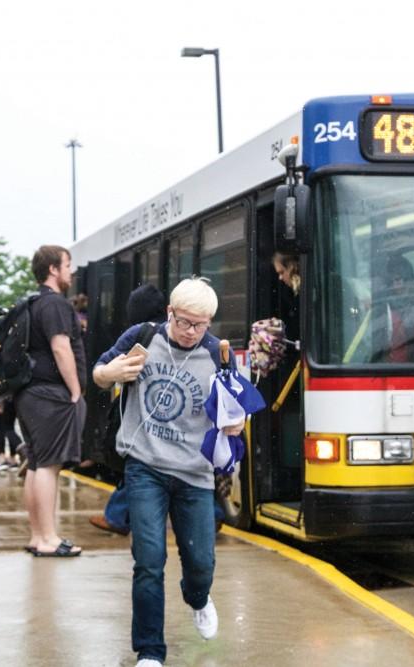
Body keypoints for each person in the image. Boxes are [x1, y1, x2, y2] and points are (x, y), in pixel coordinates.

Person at [93, 277, 242, 666]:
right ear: (169, 313)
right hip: (145, 466)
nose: (192, 332)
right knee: (148, 559)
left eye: (202, 324)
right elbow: (98, 372)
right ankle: (150, 651)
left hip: (195, 473)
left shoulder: (218, 354)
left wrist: (234, 424)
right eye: (185, 322)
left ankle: (197, 598)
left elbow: (236, 418)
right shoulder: (142, 337)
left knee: (201, 564)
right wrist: (113, 374)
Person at [16, 245, 87, 557]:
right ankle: (48, 538)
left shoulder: (32, 303)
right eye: (67, 265)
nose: (70, 271)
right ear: (54, 270)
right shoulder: (56, 304)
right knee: (49, 466)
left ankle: (37, 536)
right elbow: (61, 348)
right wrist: (75, 390)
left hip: (30, 393)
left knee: (35, 464)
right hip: (51, 394)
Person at [88, 283, 167, 535]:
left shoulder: (139, 332)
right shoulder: (176, 332)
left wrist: (106, 373)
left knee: (138, 466)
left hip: (144, 416)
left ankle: (117, 517)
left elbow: (104, 362)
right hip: (177, 416)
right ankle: (212, 514)